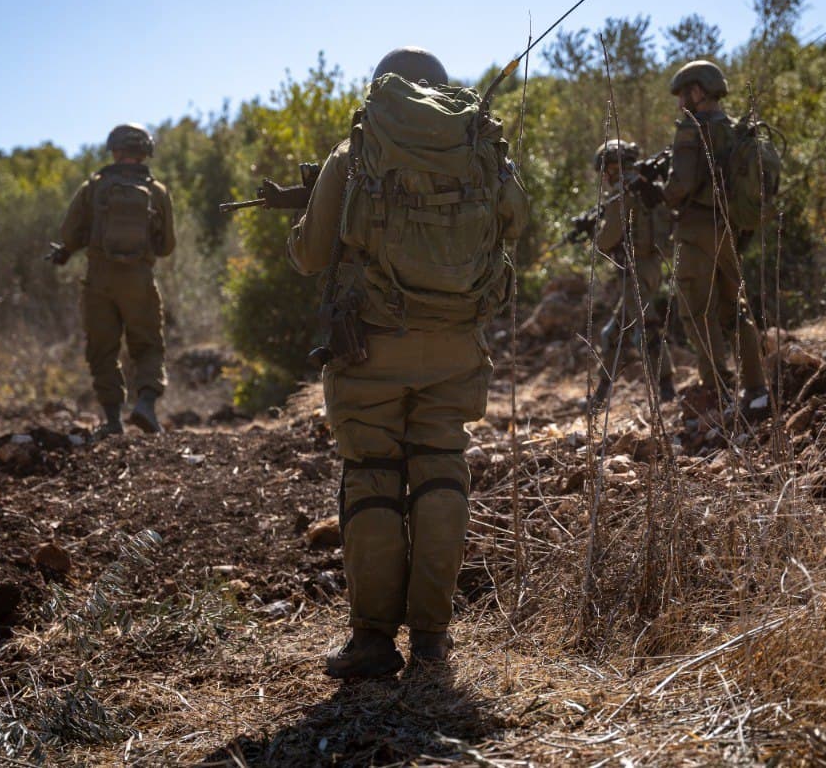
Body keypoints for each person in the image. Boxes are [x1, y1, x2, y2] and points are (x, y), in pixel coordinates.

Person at [288, 47, 528, 678]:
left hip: (372, 345)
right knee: (441, 472)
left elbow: (312, 256)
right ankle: (431, 639)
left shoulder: (359, 149)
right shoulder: (481, 146)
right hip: (456, 346)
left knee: (371, 475)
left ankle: (371, 641)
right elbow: (518, 221)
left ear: (383, 87)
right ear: (443, 89)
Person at [50, 123, 175, 436]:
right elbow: (167, 246)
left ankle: (113, 419)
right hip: (140, 282)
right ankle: (145, 404)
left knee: (103, 349)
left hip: (99, 281)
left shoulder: (94, 187)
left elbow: (69, 233)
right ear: (145, 152)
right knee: (147, 346)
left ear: (114, 151)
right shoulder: (157, 192)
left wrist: (66, 251)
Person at [663, 61, 769, 419]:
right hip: (729, 231)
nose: (680, 105)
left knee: (697, 311)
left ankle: (719, 392)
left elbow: (681, 186)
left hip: (696, 232)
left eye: (683, 95)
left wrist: (658, 195)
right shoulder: (737, 130)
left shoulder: (691, 130)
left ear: (698, 91)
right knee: (735, 310)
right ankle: (756, 391)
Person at [584, 139, 676, 408]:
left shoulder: (620, 193)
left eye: (605, 169)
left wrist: (595, 234)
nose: (604, 176)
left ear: (612, 167)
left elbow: (607, 239)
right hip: (650, 267)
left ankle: (668, 389)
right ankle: (601, 393)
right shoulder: (646, 187)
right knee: (612, 334)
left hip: (634, 270)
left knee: (645, 331)